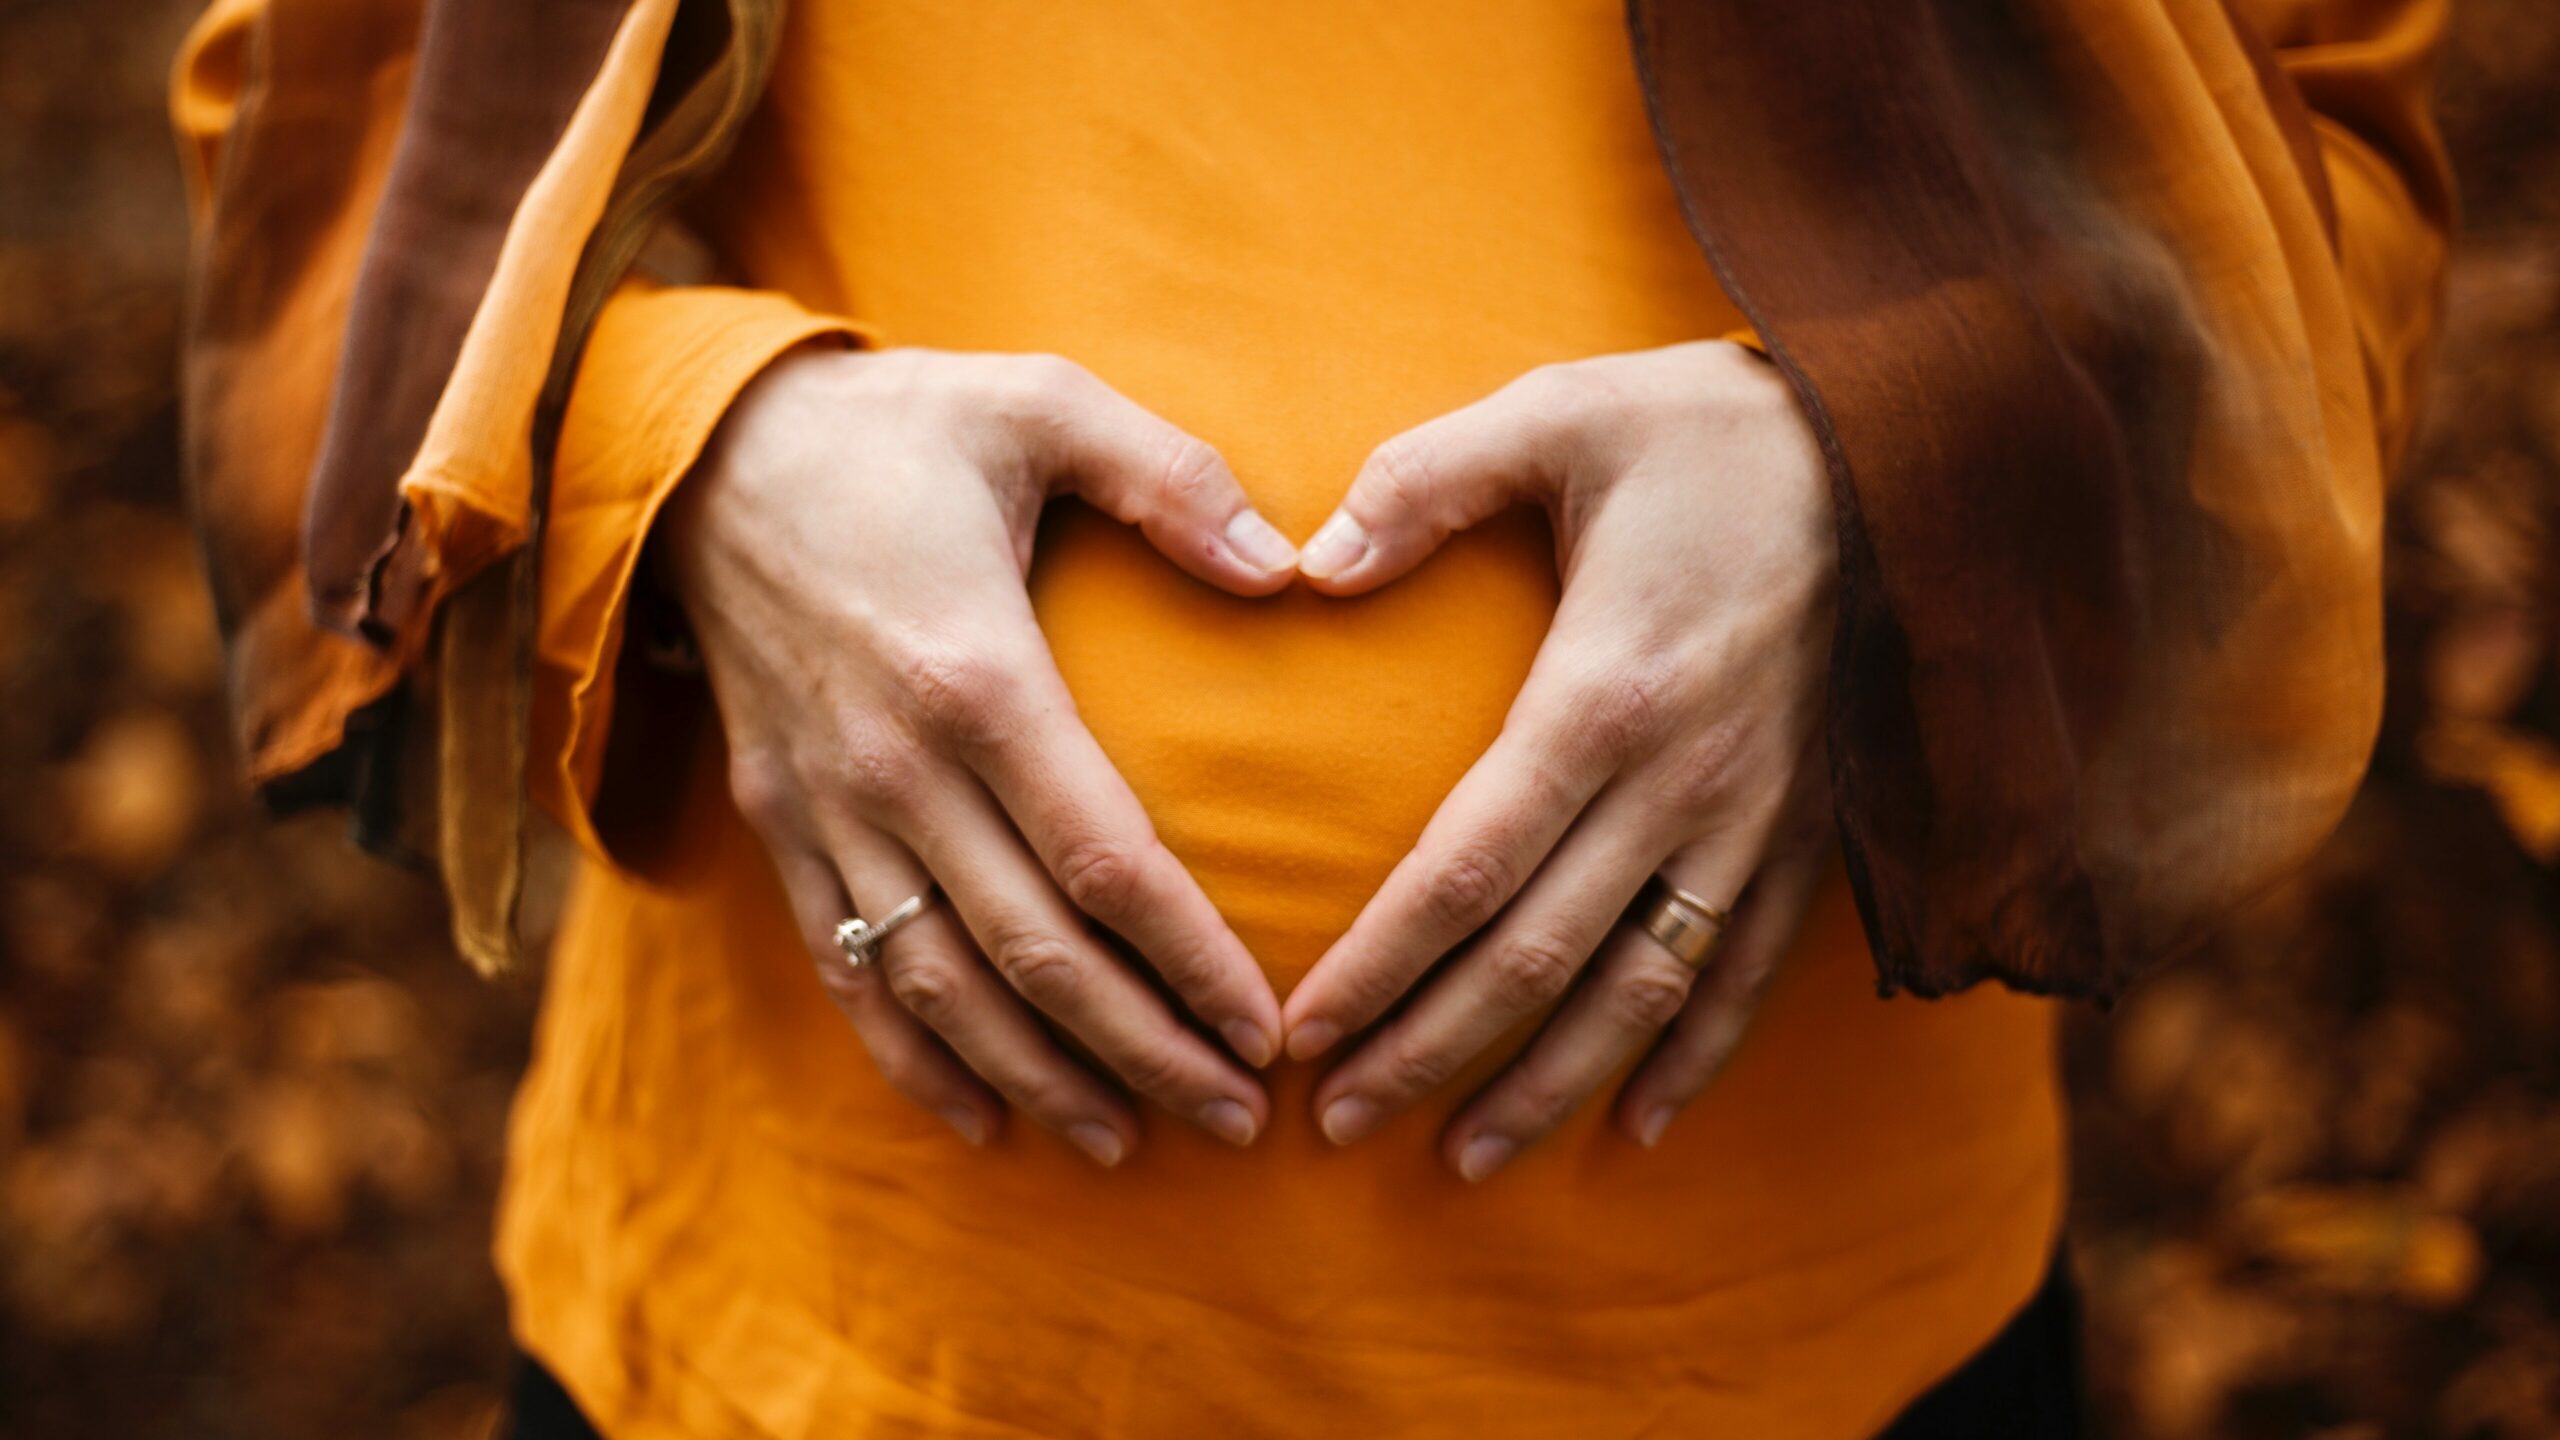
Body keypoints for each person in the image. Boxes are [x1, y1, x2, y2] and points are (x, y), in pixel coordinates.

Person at [171, 0, 2452, 1434]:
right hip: (809, 1341)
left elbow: (2316, 185)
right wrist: (687, 454)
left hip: (1799, 1356)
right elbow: (322, 129)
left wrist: (1896, 469)